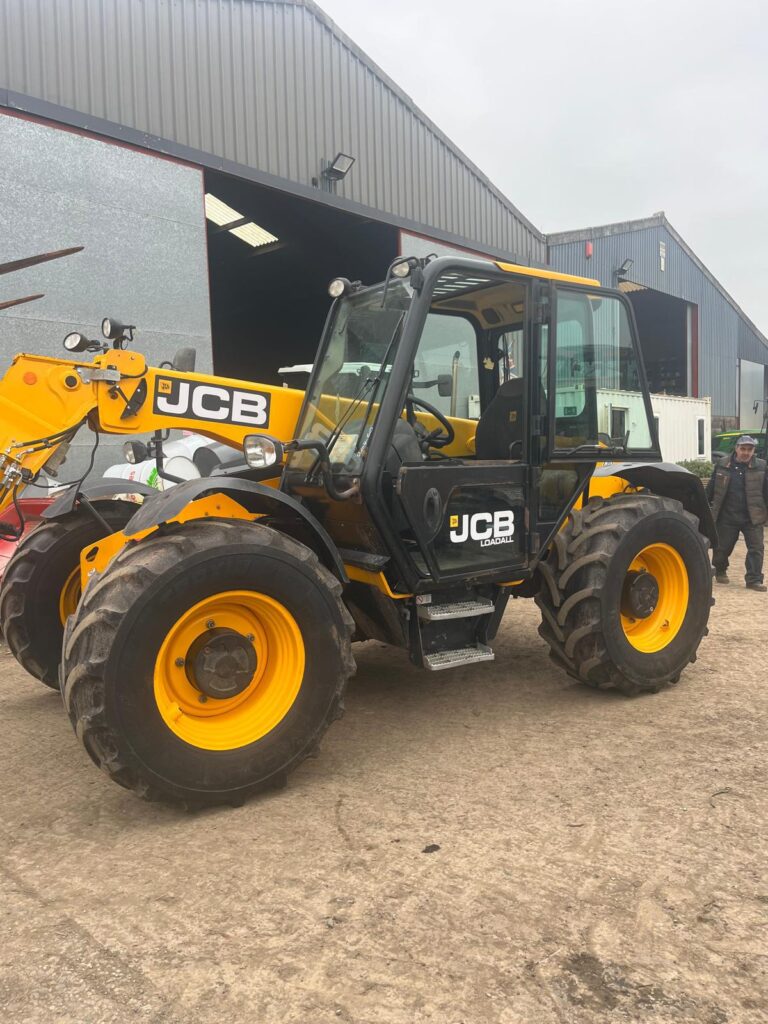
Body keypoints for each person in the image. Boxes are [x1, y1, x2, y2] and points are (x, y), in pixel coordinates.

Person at [705, 435, 768, 591]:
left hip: (753, 516)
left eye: (750, 449)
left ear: (753, 451)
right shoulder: (722, 464)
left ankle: (754, 579)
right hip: (727, 516)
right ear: (736, 449)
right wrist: (704, 506)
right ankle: (720, 569)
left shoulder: (762, 466)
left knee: (756, 548)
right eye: (743, 449)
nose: (746, 453)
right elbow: (711, 489)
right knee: (722, 548)